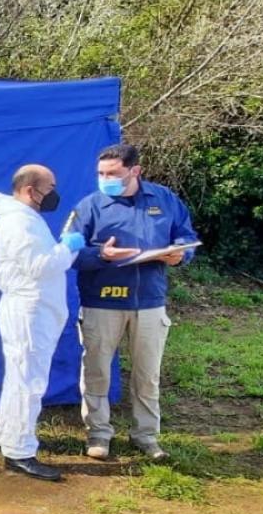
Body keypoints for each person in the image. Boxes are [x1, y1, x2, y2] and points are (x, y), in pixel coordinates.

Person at [70, 143, 199, 461]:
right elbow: (69, 252)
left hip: (149, 302)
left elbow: (185, 235)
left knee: (147, 375)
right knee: (96, 372)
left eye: (112, 174)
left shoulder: (164, 199)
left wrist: (180, 254)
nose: (105, 179)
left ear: (135, 171)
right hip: (101, 302)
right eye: (101, 173)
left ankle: (146, 436)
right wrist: (101, 254)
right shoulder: (90, 206)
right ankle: (98, 434)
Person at [0, 164, 86, 482]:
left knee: (20, 376)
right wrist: (67, 248)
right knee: (29, 381)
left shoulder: (25, 219)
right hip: (29, 312)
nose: (54, 193)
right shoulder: (20, 223)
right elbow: (41, 266)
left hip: (32, 309)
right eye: (50, 187)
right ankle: (19, 452)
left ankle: (8, 434)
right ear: (31, 190)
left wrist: (63, 249)